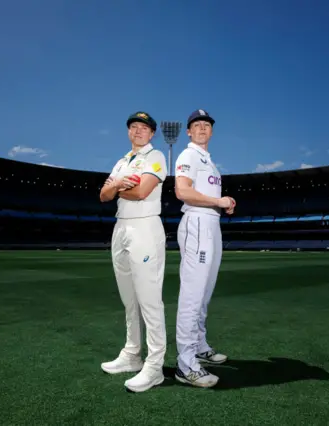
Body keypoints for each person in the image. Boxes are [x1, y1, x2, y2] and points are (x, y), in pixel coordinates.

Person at [99, 111, 168, 393]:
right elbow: (103, 196)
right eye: (134, 127)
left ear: (151, 134)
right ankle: (132, 354)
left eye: (144, 128)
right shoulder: (122, 161)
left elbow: (142, 192)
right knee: (130, 300)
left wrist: (116, 187)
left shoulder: (156, 157)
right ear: (129, 132)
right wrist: (118, 185)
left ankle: (155, 366)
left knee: (150, 302)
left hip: (145, 228)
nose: (138, 131)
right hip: (121, 227)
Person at [173, 109, 236, 388]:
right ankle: (186, 365)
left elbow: (210, 197)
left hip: (211, 224)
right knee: (192, 294)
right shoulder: (187, 155)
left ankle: (199, 345)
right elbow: (182, 192)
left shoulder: (209, 162)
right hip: (197, 223)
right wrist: (218, 202)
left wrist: (223, 204)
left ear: (211, 131)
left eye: (206, 125)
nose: (201, 128)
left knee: (205, 293)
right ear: (188, 131)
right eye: (196, 125)